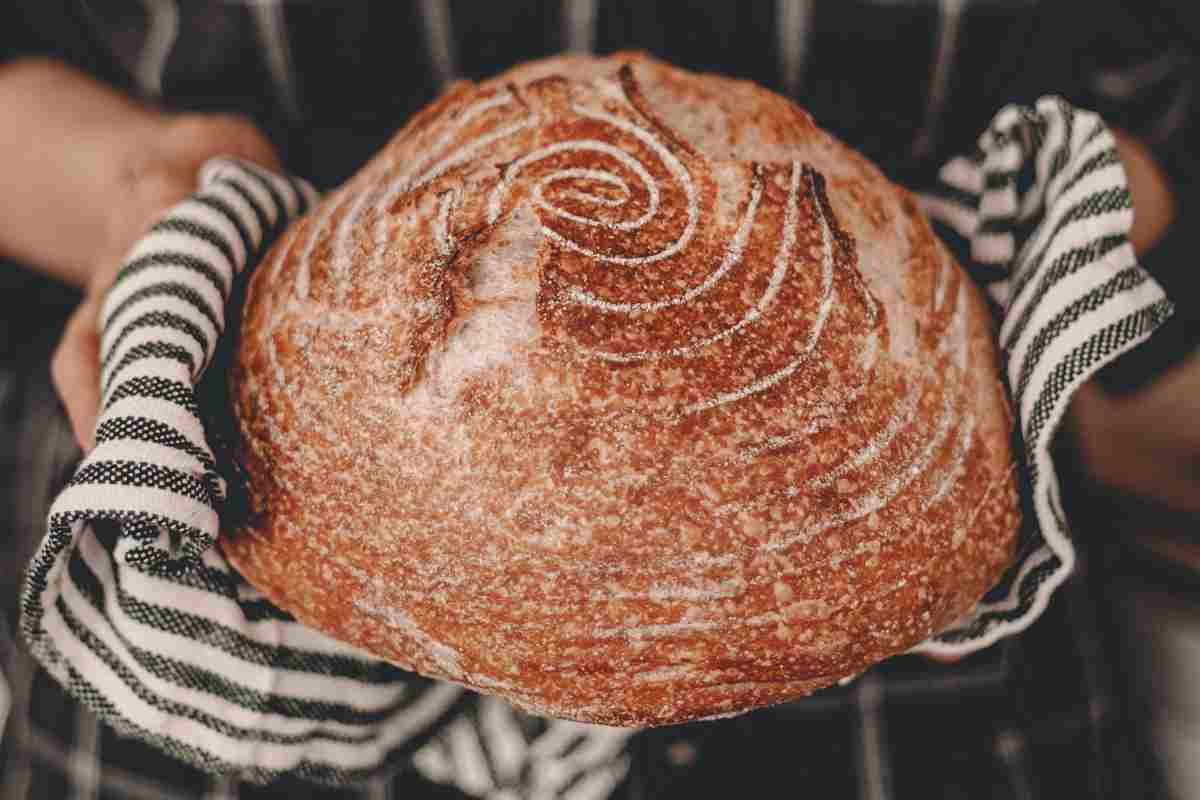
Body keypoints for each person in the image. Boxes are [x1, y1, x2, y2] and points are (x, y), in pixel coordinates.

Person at [0, 2, 1196, 798]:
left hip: (938, 737)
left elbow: (1162, 73)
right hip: (212, 736)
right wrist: (139, 188)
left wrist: (1093, 226)